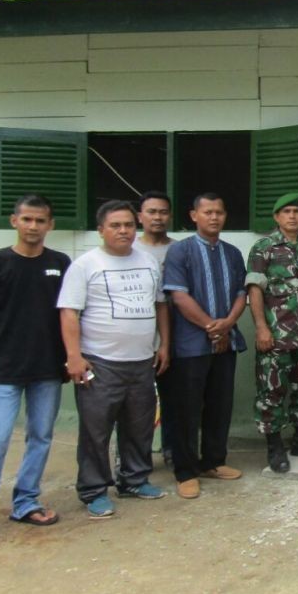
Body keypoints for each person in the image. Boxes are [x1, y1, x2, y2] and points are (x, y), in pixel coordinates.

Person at [58, 200, 170, 518]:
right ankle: (93, 490)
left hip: (141, 362)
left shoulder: (148, 261)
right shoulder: (85, 265)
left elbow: (161, 305)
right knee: (96, 431)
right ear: (101, 230)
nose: (123, 231)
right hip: (100, 362)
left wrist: (164, 345)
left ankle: (133, 481)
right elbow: (69, 312)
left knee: (139, 426)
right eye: (115, 225)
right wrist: (74, 356)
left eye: (128, 225)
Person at [163, 193, 247, 499]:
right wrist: (212, 326)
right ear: (194, 215)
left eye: (219, 212)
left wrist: (227, 324)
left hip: (227, 340)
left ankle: (214, 461)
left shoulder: (233, 253)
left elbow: (242, 293)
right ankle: (186, 470)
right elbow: (179, 296)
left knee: (220, 404)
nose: (214, 217)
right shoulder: (180, 252)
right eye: (208, 212)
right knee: (186, 409)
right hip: (190, 345)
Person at [0, 195, 70, 527]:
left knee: (40, 435)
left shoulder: (61, 263)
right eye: (27, 219)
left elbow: (71, 314)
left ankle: (25, 501)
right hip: (1, 369)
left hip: (47, 368)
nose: (33, 226)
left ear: (50, 225)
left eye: (40, 221)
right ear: (14, 222)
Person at [246, 193, 298, 474]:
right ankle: (274, 446)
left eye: (297, 211)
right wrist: (260, 327)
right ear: (276, 217)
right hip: (276, 335)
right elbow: (255, 289)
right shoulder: (264, 248)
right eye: (286, 212)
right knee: (272, 391)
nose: (292, 216)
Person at [136, 190, 175, 468]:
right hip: (138, 337)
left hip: (175, 334)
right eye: (151, 212)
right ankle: (135, 458)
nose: (157, 217)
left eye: (163, 212)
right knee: (137, 404)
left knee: (174, 399)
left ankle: (173, 451)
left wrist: (167, 342)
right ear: (140, 216)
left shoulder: (180, 249)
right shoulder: (130, 250)